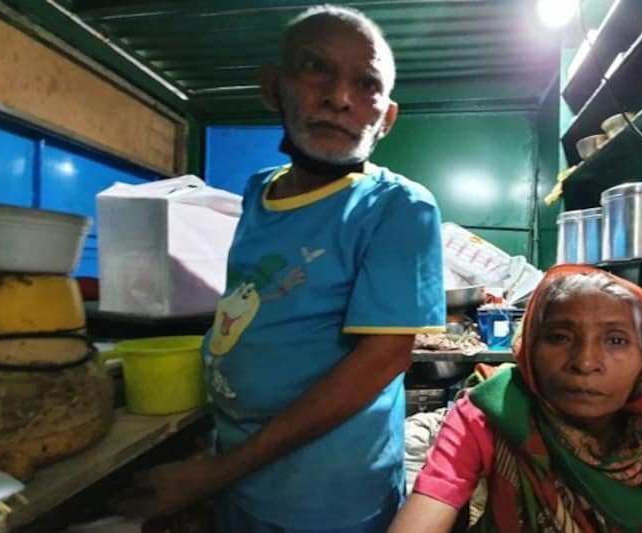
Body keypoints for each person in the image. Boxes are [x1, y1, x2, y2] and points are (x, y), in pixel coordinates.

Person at [124, 5, 446, 532]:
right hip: (242, 470)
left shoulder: (396, 207)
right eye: (316, 68)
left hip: (325, 497)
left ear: (386, 118)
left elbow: (382, 358)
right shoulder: (258, 190)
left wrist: (211, 475)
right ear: (273, 87)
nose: (339, 98)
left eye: (366, 84)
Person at [389, 264, 642, 532]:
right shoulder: (490, 413)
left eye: (616, 341)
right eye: (560, 337)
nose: (585, 362)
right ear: (529, 349)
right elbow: (433, 500)